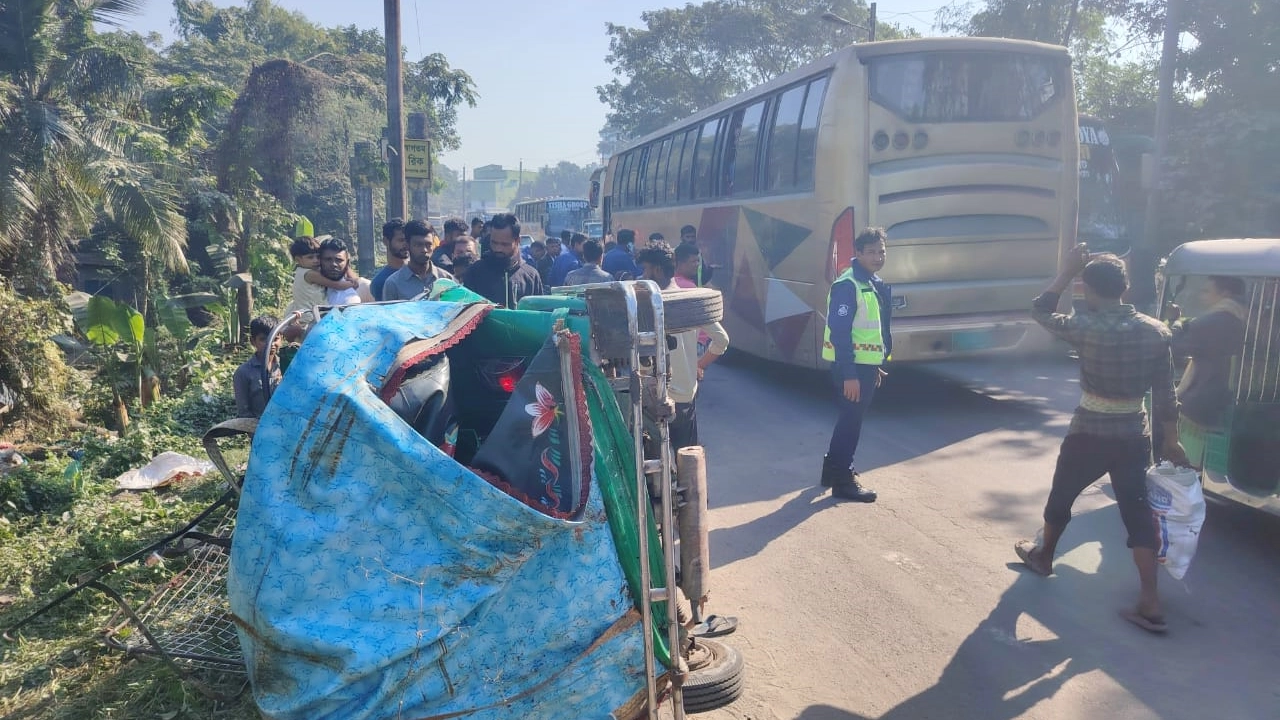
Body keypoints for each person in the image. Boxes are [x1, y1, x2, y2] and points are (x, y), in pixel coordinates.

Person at [1016, 246, 1188, 635]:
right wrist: (1172, 441)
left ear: (1089, 289)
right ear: (1125, 289)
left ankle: (1043, 556)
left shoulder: (1085, 327)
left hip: (1089, 431)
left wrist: (1064, 273)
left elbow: (1040, 311)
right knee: (1136, 511)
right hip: (1133, 434)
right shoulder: (1156, 331)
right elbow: (1166, 393)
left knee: (1062, 495)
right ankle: (1150, 600)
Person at [820, 228, 891, 502]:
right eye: (871, 251)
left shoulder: (870, 282)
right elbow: (840, 332)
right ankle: (842, 479)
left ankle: (831, 470)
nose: (877, 256)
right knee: (851, 422)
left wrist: (875, 364)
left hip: (864, 366)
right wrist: (850, 374)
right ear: (858, 253)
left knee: (848, 419)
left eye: (881, 251)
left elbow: (870, 332)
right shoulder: (848, 285)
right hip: (850, 369)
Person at [637, 241, 729, 452]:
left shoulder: (643, 304)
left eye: (645, 269)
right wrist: (698, 366)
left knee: (653, 467)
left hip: (653, 401)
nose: (642, 275)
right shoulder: (691, 301)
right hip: (685, 397)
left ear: (658, 270)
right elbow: (722, 340)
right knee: (686, 463)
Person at [1168, 275, 1247, 468]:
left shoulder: (1213, 320)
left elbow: (1175, 346)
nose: (1201, 296)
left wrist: (1175, 322)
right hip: (1226, 390)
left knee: (1187, 453)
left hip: (1203, 394)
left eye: (1206, 291)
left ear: (1225, 294)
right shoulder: (1240, 316)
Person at [463, 213, 544, 308]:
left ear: (517, 241)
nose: (498, 249)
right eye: (494, 243)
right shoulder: (475, 273)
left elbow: (539, 315)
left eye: (504, 244)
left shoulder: (531, 276)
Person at [382, 219, 454, 301]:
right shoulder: (393, 284)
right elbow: (389, 313)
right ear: (407, 245)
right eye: (418, 245)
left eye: (428, 245)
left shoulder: (446, 279)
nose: (424, 250)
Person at [233, 316, 282, 419]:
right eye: (264, 339)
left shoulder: (286, 365)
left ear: (281, 338)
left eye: (275, 339)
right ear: (253, 341)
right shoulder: (243, 372)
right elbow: (244, 413)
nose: (271, 344)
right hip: (260, 430)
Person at [317, 237, 362, 306]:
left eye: (339, 260)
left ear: (347, 262)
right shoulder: (310, 287)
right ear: (319, 261)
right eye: (328, 259)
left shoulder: (349, 298)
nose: (333, 264)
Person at [370, 219, 408, 301]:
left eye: (407, 240)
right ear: (386, 241)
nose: (406, 244)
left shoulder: (419, 272)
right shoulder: (380, 282)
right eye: (401, 240)